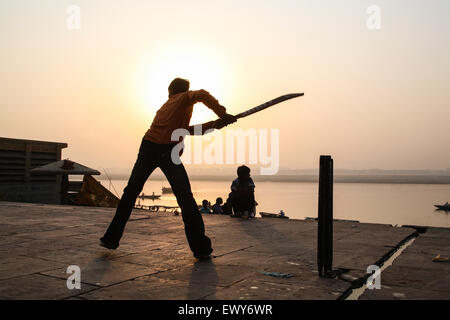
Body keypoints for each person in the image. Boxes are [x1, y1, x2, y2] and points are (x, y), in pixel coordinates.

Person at [99, 78, 236, 260]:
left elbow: (185, 130)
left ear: (170, 90)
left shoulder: (169, 105)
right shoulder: (183, 98)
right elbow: (202, 94)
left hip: (148, 146)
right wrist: (222, 114)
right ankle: (201, 249)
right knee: (185, 198)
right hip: (166, 150)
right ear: (184, 91)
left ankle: (110, 239)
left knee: (130, 192)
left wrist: (214, 124)